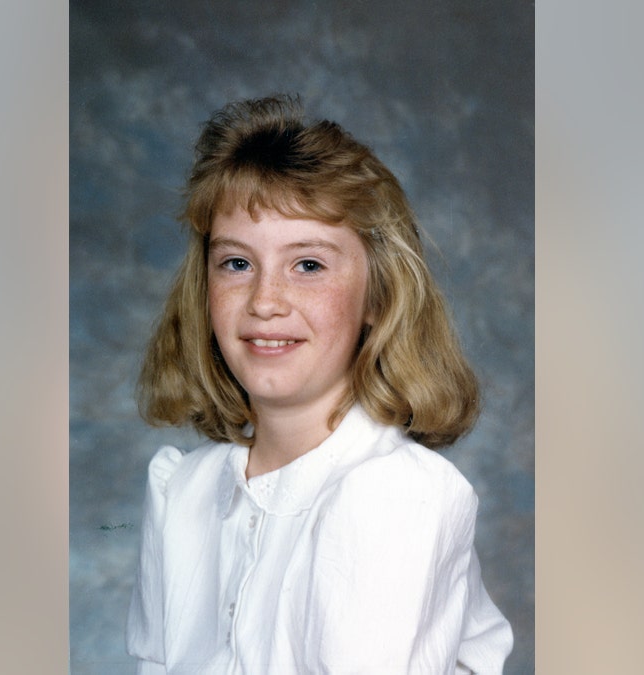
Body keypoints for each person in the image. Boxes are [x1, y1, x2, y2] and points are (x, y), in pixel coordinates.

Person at [126, 95, 513, 674]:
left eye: (308, 265)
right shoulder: (183, 492)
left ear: (377, 297)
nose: (264, 301)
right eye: (237, 263)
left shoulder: (394, 497)